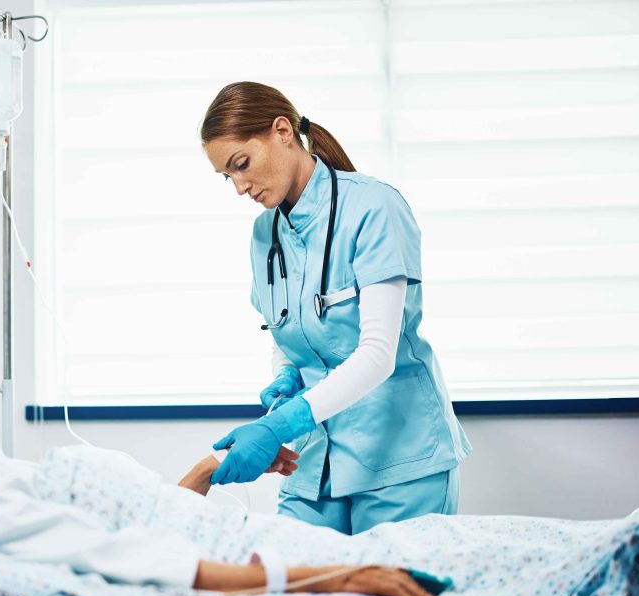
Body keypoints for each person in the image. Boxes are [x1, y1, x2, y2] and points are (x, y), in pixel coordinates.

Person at [0, 303, 436, 596]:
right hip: (265, 561)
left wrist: (207, 471)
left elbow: (130, 529)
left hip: (228, 531)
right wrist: (337, 578)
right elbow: (132, 560)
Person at [200, 82, 471, 535]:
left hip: (399, 462)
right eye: (227, 176)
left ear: (282, 131)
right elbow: (285, 334)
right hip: (313, 466)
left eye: (241, 165)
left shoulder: (374, 208)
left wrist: (282, 424)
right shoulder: (264, 236)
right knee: (295, 591)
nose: (239, 187)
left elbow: (377, 354)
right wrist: (284, 378)